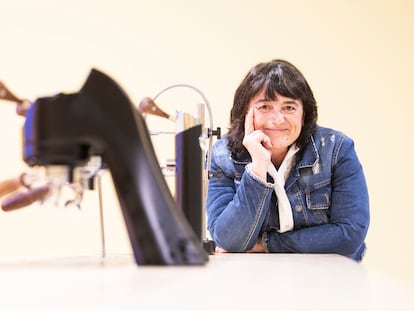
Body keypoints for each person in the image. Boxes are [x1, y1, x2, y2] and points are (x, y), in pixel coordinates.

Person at [206, 59, 370, 261]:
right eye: (265, 106)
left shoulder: (337, 149)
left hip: (331, 276)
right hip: (253, 279)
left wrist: (265, 245)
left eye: (289, 107)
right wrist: (257, 168)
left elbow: (349, 235)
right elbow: (228, 240)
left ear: (304, 114)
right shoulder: (223, 155)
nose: (277, 119)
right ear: (245, 113)